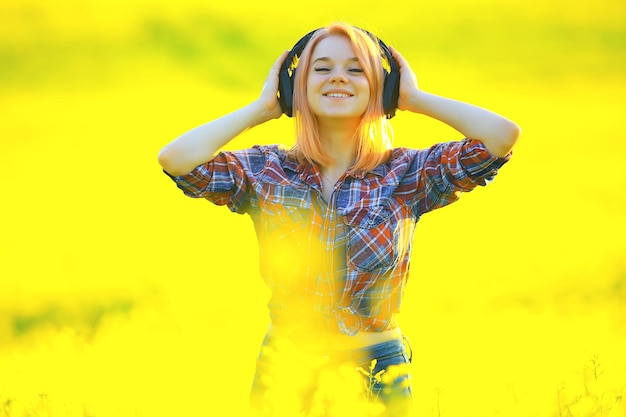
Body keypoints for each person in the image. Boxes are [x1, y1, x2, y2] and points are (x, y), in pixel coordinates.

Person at [158, 22, 520, 417]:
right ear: (296, 84)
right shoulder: (266, 170)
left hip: (380, 373)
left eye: (355, 69)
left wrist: (415, 98)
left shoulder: (405, 173)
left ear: (380, 86)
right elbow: (177, 160)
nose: (338, 78)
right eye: (322, 68)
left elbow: (500, 139)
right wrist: (263, 109)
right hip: (288, 371)